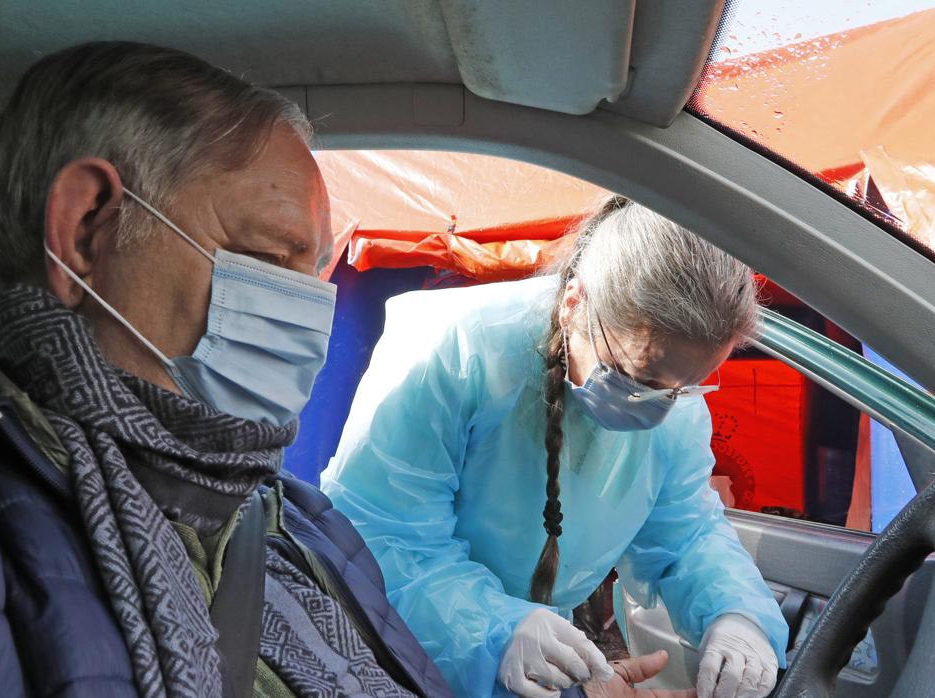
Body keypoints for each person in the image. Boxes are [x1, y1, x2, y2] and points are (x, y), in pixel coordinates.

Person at [0, 42, 451, 697]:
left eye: (317, 274)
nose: (313, 316)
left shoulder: (290, 511)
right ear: (86, 230)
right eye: (269, 259)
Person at [322, 198, 789, 698]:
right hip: (401, 647)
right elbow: (382, 536)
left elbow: (686, 532)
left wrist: (736, 613)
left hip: (539, 659)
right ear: (573, 304)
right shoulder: (456, 351)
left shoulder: (674, 401)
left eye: (685, 387)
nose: (657, 407)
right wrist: (495, 631)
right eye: (638, 377)